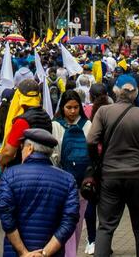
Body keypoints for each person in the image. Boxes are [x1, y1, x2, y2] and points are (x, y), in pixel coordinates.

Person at [86, 77, 139, 257]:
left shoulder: (104, 112)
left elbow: (91, 139)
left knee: (106, 226)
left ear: (115, 92)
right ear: (136, 94)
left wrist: (97, 163)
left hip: (110, 176)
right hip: (138, 177)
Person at [0, 128, 79, 257]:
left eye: (22, 147)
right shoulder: (68, 180)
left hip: (14, 253)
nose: (21, 151)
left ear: (29, 148)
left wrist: (23, 252)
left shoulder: (9, 175)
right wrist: (44, 253)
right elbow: (69, 220)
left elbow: (5, 215)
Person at [51, 92, 91, 257]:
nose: (73, 111)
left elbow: (54, 154)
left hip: (70, 182)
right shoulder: (86, 124)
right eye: (69, 107)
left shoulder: (56, 125)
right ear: (62, 107)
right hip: (77, 183)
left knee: (72, 222)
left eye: (75, 107)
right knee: (74, 221)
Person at [0, 79, 53, 168]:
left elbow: (8, 153)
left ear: (19, 96)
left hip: (22, 168)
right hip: (44, 166)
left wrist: (1, 162)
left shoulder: (22, 121)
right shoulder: (46, 116)